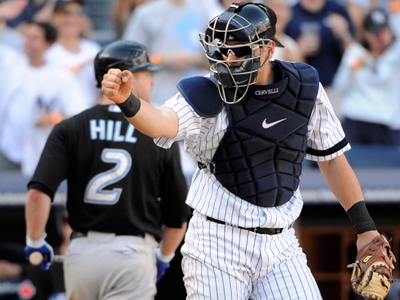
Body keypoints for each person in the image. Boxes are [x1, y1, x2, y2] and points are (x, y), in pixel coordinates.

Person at [102, 2, 395, 299]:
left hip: (281, 244)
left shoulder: (303, 86)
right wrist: (129, 102)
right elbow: (162, 124)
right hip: (217, 242)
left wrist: (365, 229)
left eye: (240, 49)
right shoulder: (206, 89)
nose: (228, 58)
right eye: (221, 50)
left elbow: (332, 161)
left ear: (268, 49)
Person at [25, 39, 191, 300]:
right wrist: (164, 257)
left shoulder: (70, 127)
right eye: (147, 74)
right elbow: (178, 216)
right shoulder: (158, 133)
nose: (153, 82)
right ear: (126, 77)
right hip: (132, 253)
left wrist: (35, 241)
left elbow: (38, 193)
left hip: (80, 254)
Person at [0, 20, 87, 175]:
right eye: (27, 37)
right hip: (8, 150)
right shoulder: (13, 67)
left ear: (48, 44)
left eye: (34, 38)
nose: (28, 42)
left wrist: (53, 118)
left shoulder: (61, 75)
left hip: (42, 155)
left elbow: (79, 113)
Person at [333, 8, 400, 146]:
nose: (380, 36)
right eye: (374, 32)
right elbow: (340, 87)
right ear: (365, 34)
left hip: (386, 122)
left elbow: (381, 76)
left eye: (383, 30)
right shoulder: (355, 53)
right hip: (355, 117)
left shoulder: (396, 54)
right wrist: (354, 68)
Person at [45, 0, 101, 108]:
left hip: (91, 117)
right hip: (61, 119)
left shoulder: (93, 49)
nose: (72, 19)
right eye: (66, 13)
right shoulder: (48, 53)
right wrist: (84, 64)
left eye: (78, 13)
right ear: (54, 17)